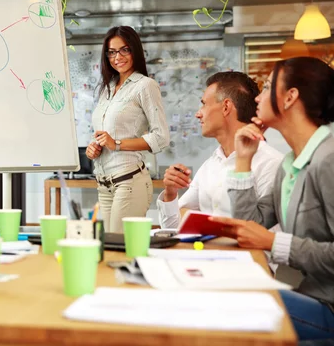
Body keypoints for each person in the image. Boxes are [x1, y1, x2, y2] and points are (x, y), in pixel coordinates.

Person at [208, 57, 334, 346]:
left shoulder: (328, 159)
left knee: (228, 310)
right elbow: (250, 224)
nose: (257, 97)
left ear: (290, 97)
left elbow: (262, 236)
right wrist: (243, 160)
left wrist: (273, 243)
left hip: (328, 306)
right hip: (310, 297)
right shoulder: (290, 164)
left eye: (266, 87)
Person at [157, 71, 283, 229]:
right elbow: (172, 227)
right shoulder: (211, 164)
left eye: (204, 104)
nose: (198, 114)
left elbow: (259, 231)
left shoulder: (271, 163)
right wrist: (170, 193)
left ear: (226, 107)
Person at [86, 26, 169, 232]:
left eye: (124, 50)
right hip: (104, 183)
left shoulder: (145, 86)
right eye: (112, 52)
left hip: (129, 182)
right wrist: (94, 147)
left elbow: (161, 137)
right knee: (107, 249)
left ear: (135, 51)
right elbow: (106, 135)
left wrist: (117, 144)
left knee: (118, 249)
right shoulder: (107, 88)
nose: (117, 57)